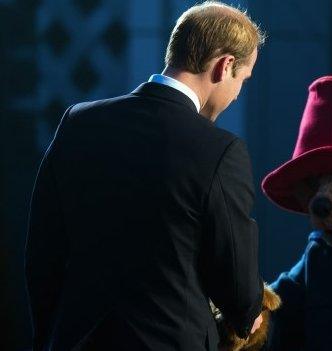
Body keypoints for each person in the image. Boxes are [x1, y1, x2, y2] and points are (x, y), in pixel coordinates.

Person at [25, 2, 265, 350]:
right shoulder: (220, 150)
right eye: (243, 79)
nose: (237, 92)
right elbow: (237, 280)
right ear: (225, 66)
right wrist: (248, 313)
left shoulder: (78, 123)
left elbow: (43, 253)